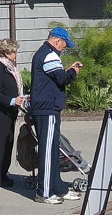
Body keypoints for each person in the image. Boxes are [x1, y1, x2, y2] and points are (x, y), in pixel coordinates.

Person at [29, 27, 83, 204]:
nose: (65, 47)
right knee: (47, 152)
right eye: (65, 44)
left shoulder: (46, 54)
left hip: (47, 108)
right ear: (56, 40)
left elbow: (55, 76)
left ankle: (58, 188)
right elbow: (62, 79)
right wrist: (73, 71)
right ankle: (44, 192)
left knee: (53, 151)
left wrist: (67, 70)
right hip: (47, 109)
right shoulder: (50, 55)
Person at [0, 39, 26, 189]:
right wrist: (12, 101)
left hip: (8, 113)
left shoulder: (10, 67)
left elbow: (12, 87)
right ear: (5, 53)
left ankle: (3, 174)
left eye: (15, 51)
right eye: (12, 52)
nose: (15, 54)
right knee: (0, 146)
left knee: (8, 145)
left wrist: (21, 98)